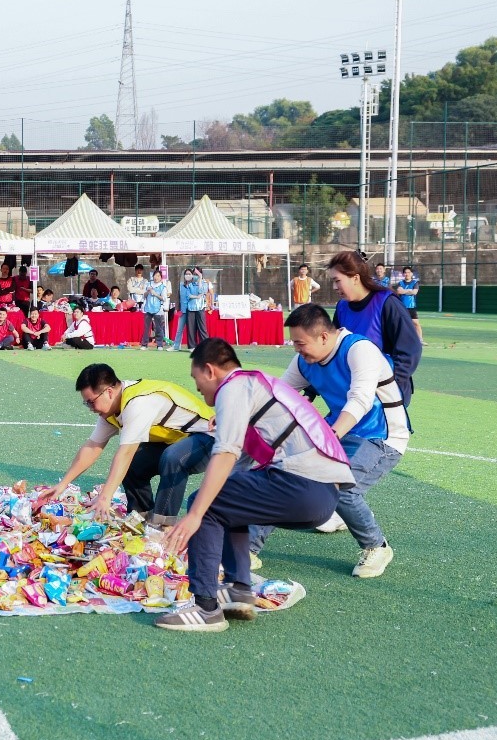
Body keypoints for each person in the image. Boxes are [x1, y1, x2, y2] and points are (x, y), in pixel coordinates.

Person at [155, 338, 355, 631]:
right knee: (227, 502)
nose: (196, 386)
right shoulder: (256, 385)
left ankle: (206, 608)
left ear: (209, 371)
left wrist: (195, 515)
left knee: (206, 504)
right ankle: (238, 588)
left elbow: (225, 452)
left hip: (303, 484)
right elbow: (238, 471)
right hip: (323, 493)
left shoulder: (232, 388)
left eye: (195, 378)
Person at [250, 304, 408, 577]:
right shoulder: (304, 360)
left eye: (300, 343)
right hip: (338, 432)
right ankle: (247, 548)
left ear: (323, 337)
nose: (297, 350)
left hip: (382, 436)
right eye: (294, 344)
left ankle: (377, 547)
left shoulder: (360, 350)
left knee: (342, 487)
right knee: (284, 473)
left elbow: (360, 401)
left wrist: (328, 441)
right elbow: (278, 395)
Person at [49, 363, 215, 526]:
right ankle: (139, 519)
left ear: (109, 392)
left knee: (173, 457)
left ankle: (163, 526)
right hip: (177, 440)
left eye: (91, 402)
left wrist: (105, 497)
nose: (90, 408)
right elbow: (93, 447)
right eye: (86, 403)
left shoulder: (138, 403)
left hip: (209, 437)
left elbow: (125, 453)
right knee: (135, 463)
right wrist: (63, 484)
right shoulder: (112, 408)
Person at [327, 250, 422, 407]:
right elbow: (332, 348)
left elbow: (410, 350)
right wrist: (310, 390)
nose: (335, 287)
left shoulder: (387, 303)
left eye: (337, 281)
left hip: (386, 396)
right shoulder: (342, 307)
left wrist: (389, 384)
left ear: (355, 278)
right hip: (356, 392)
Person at [179, 268, 209, 350]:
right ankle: (192, 346)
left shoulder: (204, 283)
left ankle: (205, 346)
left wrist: (200, 280)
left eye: (197, 274)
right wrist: (196, 296)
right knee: (191, 328)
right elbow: (188, 295)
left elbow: (201, 291)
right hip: (191, 308)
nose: (196, 276)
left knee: (202, 328)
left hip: (200, 307)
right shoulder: (190, 284)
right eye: (194, 274)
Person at [393, 266, 423, 343]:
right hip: (402, 306)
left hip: (411, 306)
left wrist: (405, 291)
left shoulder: (415, 282)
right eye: (405, 272)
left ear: (411, 273)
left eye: (408, 272)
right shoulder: (400, 283)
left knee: (416, 323)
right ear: (403, 274)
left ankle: (420, 340)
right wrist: (410, 291)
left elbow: (414, 292)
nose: (407, 274)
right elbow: (399, 292)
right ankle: (400, 340)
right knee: (401, 324)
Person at [143, 269, 169, 349]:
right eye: (155, 275)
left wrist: (155, 294)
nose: (156, 277)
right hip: (148, 308)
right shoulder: (148, 284)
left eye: (158, 276)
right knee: (146, 327)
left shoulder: (162, 287)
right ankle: (144, 344)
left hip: (158, 309)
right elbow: (144, 295)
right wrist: (148, 291)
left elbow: (164, 298)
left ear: (161, 278)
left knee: (158, 327)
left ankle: (159, 344)